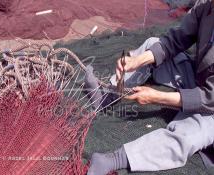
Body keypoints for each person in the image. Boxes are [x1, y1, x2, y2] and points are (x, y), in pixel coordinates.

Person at [86, 0, 214, 174]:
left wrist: (156, 97)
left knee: (190, 135)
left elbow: (209, 99)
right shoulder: (206, 5)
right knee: (152, 45)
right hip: (201, 78)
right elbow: (176, 40)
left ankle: (115, 159)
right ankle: (106, 97)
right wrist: (138, 60)